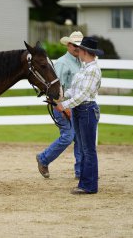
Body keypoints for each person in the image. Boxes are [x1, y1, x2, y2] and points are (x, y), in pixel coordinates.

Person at [56, 36, 103, 194]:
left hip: (87, 110)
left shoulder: (93, 70)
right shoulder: (85, 68)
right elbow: (75, 90)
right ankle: (85, 183)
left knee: (88, 149)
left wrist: (64, 105)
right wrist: (61, 95)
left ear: (85, 52)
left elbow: (83, 94)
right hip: (80, 110)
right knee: (84, 149)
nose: (78, 51)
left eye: (80, 49)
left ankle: (89, 186)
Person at [36, 31, 83, 179]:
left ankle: (81, 172)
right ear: (68, 45)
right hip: (62, 105)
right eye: (75, 45)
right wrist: (63, 107)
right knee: (68, 136)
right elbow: (56, 88)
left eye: (79, 46)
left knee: (79, 139)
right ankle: (43, 158)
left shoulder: (80, 62)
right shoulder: (63, 63)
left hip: (75, 105)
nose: (77, 48)